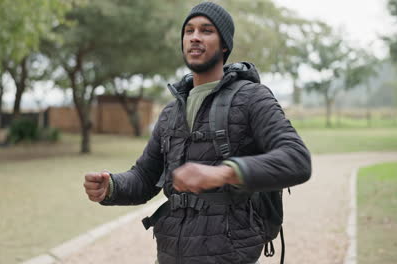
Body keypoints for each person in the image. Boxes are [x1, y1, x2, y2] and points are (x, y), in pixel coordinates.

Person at [83, 2, 311, 263]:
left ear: (224, 44)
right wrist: (111, 187)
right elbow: (145, 177)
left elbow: (297, 160)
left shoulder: (252, 97)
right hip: (170, 253)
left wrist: (222, 173)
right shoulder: (171, 111)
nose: (194, 37)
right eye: (189, 30)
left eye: (206, 30)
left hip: (229, 255)